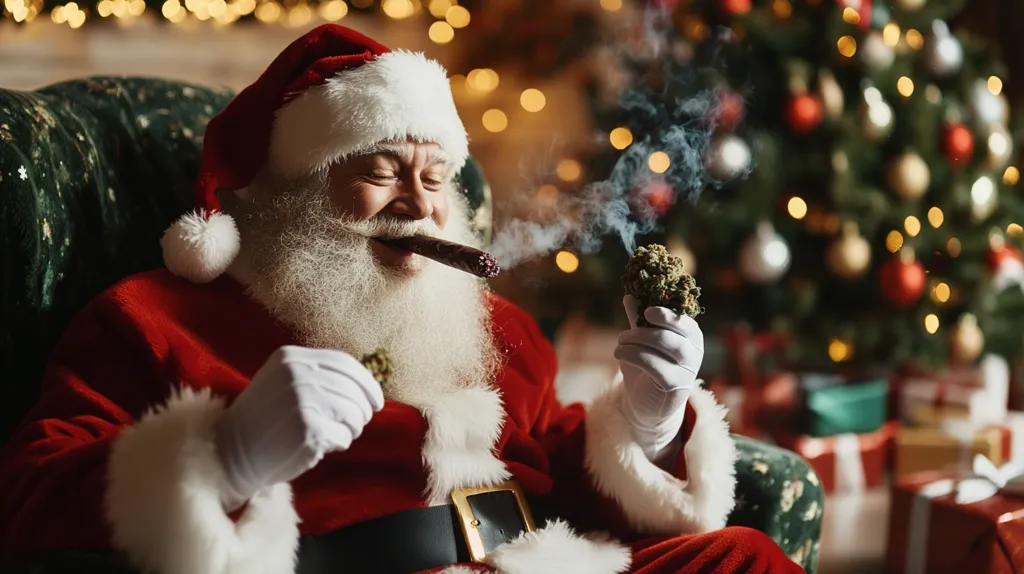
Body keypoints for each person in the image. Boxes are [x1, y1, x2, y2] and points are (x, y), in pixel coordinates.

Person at [0, 24, 804, 574]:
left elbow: (555, 465)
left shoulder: (497, 329)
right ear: (296, 192)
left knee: (739, 558)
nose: (420, 205)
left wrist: (651, 425)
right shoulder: (152, 320)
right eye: (382, 170)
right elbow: (31, 497)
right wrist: (225, 456)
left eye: (434, 177)